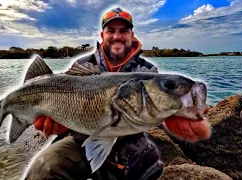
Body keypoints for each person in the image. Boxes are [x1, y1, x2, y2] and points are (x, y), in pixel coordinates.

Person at [25, 7, 211, 180]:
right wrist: (59, 122)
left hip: (130, 141)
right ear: (102, 35)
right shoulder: (83, 66)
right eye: (111, 30)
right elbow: (64, 102)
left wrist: (181, 112)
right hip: (81, 138)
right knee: (43, 167)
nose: (117, 36)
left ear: (131, 35)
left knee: (151, 169)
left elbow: (155, 111)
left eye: (123, 31)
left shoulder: (148, 70)